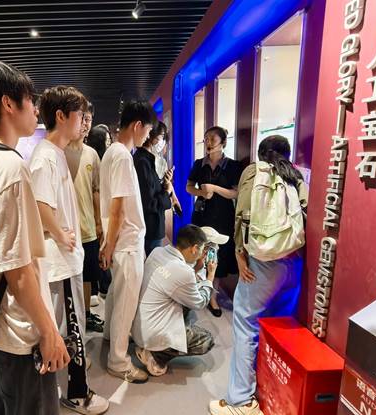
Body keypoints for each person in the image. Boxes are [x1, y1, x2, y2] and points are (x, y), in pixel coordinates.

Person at [0, 60, 70, 415]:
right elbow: (19, 272)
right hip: (20, 334)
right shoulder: (10, 167)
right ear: (8, 104)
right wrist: (49, 332)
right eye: (30, 99)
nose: (36, 108)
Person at [209, 135, 308, 415]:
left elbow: (242, 214)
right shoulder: (296, 176)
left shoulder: (254, 172)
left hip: (262, 264)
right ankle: (268, 394)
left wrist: (240, 255)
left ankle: (241, 401)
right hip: (294, 263)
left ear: (260, 153)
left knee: (246, 324)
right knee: (277, 327)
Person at [29, 86, 109, 415]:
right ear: (61, 116)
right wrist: (61, 234)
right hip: (59, 263)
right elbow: (40, 205)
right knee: (70, 328)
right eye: (79, 115)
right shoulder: (46, 156)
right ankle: (76, 394)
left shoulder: (55, 153)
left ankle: (67, 390)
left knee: (70, 327)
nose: (83, 122)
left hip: (66, 260)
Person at [99, 100, 156, 383]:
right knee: (125, 302)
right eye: (148, 131)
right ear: (137, 126)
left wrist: (107, 242)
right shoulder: (122, 155)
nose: (148, 136)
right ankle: (118, 361)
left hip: (119, 240)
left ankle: (111, 338)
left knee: (116, 295)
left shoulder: (112, 152)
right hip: (127, 241)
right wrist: (110, 245)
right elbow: (118, 207)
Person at [132, 225, 227, 376]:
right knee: (206, 340)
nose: (205, 254)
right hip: (151, 335)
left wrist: (196, 269)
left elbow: (176, 282)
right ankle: (155, 355)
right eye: (205, 249)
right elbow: (200, 303)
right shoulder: (183, 271)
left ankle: (155, 345)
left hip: (139, 325)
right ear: (195, 248)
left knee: (186, 304)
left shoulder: (158, 251)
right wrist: (210, 276)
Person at [186, 126, 242, 317]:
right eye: (206, 139)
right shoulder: (199, 164)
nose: (208, 143)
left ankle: (212, 297)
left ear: (223, 143)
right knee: (198, 250)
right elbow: (188, 187)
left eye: (212, 139)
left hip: (223, 216)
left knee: (219, 256)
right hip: (202, 215)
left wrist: (214, 189)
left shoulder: (232, 165)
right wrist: (202, 193)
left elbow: (236, 192)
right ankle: (194, 288)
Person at [64, 103, 105, 334]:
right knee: (71, 276)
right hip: (68, 230)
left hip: (88, 228)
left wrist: (99, 222)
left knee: (89, 275)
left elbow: (96, 190)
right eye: (82, 118)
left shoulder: (92, 154)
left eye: (89, 119)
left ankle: (86, 315)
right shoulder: (59, 152)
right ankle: (73, 317)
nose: (86, 124)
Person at [133, 125, 173, 256]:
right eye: (161, 136)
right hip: (150, 225)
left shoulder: (147, 159)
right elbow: (149, 202)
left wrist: (165, 183)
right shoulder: (143, 161)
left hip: (151, 223)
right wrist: (167, 192)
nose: (162, 141)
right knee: (153, 262)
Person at [85, 124, 112, 298]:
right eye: (107, 140)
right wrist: (98, 220)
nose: (109, 144)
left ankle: (100, 286)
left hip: (101, 214)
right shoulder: (94, 160)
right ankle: (99, 287)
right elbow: (96, 191)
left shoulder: (103, 160)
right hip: (95, 214)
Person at [148, 121, 182, 216]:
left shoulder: (162, 161)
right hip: (149, 204)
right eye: (159, 136)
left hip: (160, 203)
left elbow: (166, 183)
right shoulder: (143, 159)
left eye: (163, 137)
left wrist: (174, 198)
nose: (161, 141)